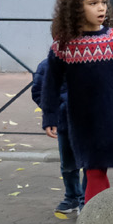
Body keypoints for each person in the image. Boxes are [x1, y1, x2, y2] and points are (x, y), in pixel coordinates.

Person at [40, 0, 113, 204]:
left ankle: (97, 215)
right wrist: (50, 116)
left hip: (110, 115)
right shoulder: (64, 45)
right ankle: (96, 217)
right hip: (80, 118)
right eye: (93, 3)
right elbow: (50, 83)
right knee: (93, 168)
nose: (101, 8)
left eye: (104, 2)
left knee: (98, 168)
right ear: (76, 9)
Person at [30, 56, 83, 214]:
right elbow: (39, 92)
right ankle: (72, 196)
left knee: (89, 163)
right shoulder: (46, 65)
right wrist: (56, 111)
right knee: (67, 163)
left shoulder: (86, 63)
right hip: (64, 122)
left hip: (87, 121)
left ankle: (85, 199)